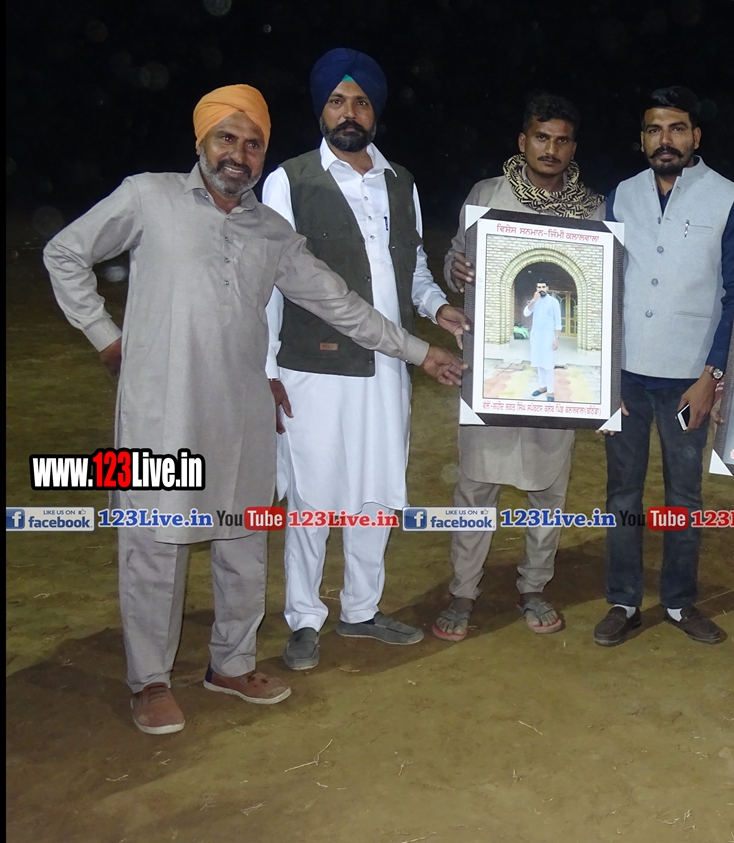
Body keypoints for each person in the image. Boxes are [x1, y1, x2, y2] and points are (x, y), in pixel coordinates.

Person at [42, 85, 463, 735]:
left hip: (242, 412)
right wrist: (105, 336)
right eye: (227, 139)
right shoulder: (149, 197)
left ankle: (231, 664)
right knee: (155, 544)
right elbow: (65, 252)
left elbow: (339, 303)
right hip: (161, 412)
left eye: (253, 143)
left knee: (241, 542)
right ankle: (150, 680)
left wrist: (418, 352)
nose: (238, 154)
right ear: (202, 141)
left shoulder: (272, 232)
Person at [263, 49, 470, 671]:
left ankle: (361, 609)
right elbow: (269, 285)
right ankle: (304, 618)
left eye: (359, 102)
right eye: (336, 101)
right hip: (311, 369)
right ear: (320, 110)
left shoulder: (398, 181)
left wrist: (438, 308)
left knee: (377, 489)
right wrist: (266, 370)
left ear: (375, 111)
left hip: (387, 369)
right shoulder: (290, 180)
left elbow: (411, 269)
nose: (348, 113)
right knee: (313, 494)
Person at [439, 93, 604, 640]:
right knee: (475, 484)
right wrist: (456, 267)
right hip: (490, 367)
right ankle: (463, 591)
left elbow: (602, 292)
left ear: (573, 148)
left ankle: (534, 585)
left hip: (555, 368)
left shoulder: (592, 211)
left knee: (548, 487)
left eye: (562, 140)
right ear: (523, 141)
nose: (550, 149)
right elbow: (455, 256)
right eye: (541, 137)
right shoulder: (487, 195)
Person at [595, 85, 734, 647]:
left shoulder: (728, 198)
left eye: (677, 129)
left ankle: (681, 601)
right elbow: (602, 281)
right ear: (642, 139)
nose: (666, 140)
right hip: (627, 378)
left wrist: (712, 377)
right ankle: (623, 599)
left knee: (684, 496)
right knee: (622, 493)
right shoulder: (623, 195)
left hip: (690, 380)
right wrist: (604, 374)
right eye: (655, 130)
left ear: (696, 136)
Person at [524, 280, 562, 400]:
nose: (541, 289)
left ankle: (550, 391)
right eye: (539, 287)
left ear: (547, 288)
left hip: (549, 338)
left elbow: (558, 321)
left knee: (548, 365)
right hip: (536, 338)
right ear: (536, 289)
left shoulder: (554, 302)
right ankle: (542, 386)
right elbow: (526, 313)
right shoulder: (535, 301)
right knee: (539, 363)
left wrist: (556, 338)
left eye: (543, 287)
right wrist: (534, 301)